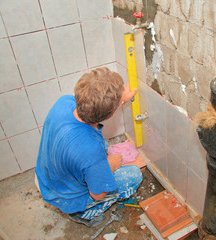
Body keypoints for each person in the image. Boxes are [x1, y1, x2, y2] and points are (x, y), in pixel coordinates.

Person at [35, 67, 142, 227]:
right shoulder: (90, 150)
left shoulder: (64, 102)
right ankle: (82, 213)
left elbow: (94, 107)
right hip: (65, 196)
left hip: (46, 177)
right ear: (111, 113)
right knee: (134, 175)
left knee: (101, 146)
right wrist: (110, 165)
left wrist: (120, 100)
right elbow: (98, 194)